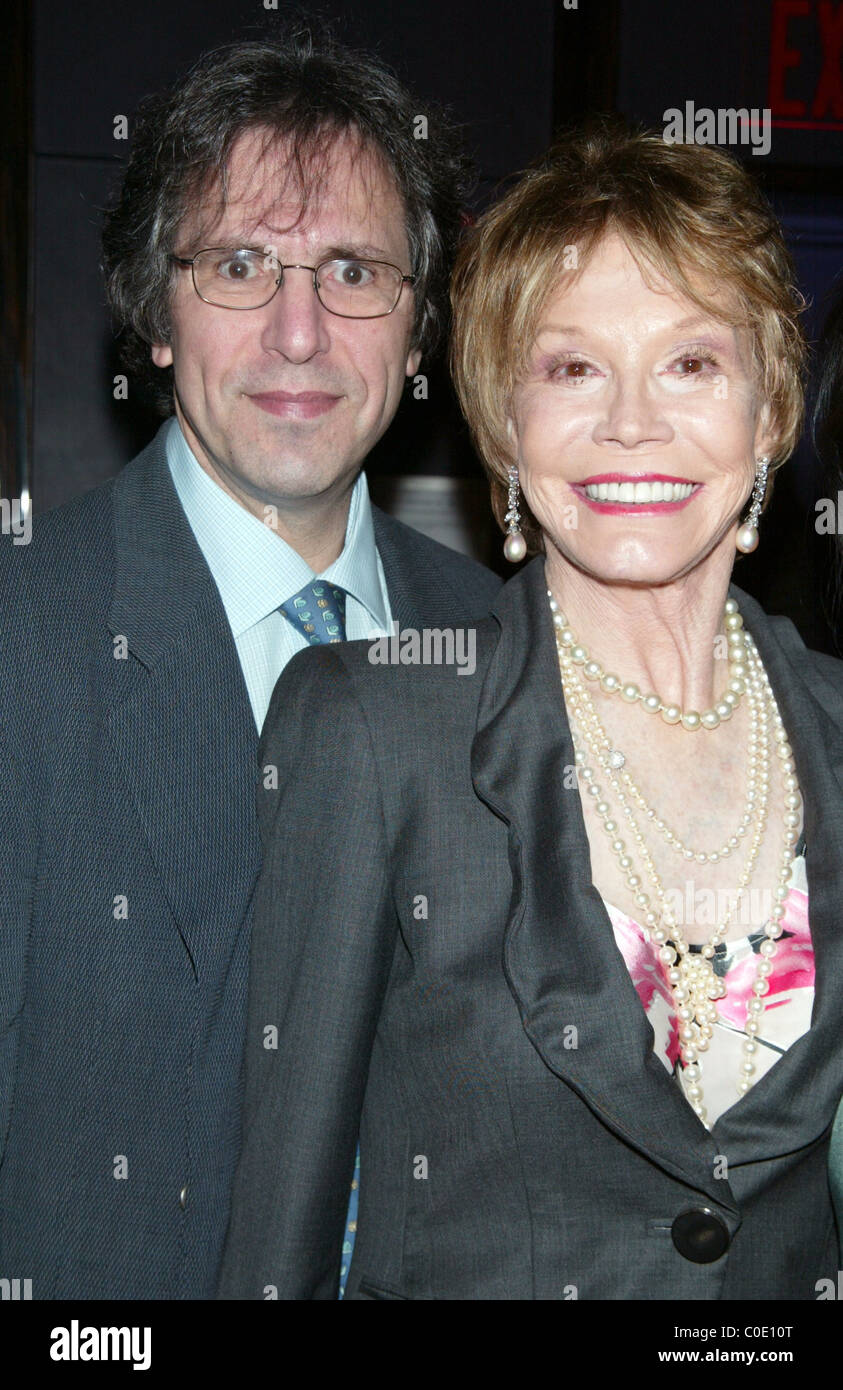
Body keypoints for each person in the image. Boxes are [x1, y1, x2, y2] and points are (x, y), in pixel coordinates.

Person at [219, 122, 843, 1300]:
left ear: (769, 415)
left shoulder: (832, 723)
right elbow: (282, 1219)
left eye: (692, 363)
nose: (631, 423)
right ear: (504, 426)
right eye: (572, 369)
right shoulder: (375, 726)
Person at [0, 31, 500, 1299]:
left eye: (352, 270)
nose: (298, 331)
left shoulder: (506, 648)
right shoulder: (24, 648)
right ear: (154, 316)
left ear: (419, 324)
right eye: (238, 266)